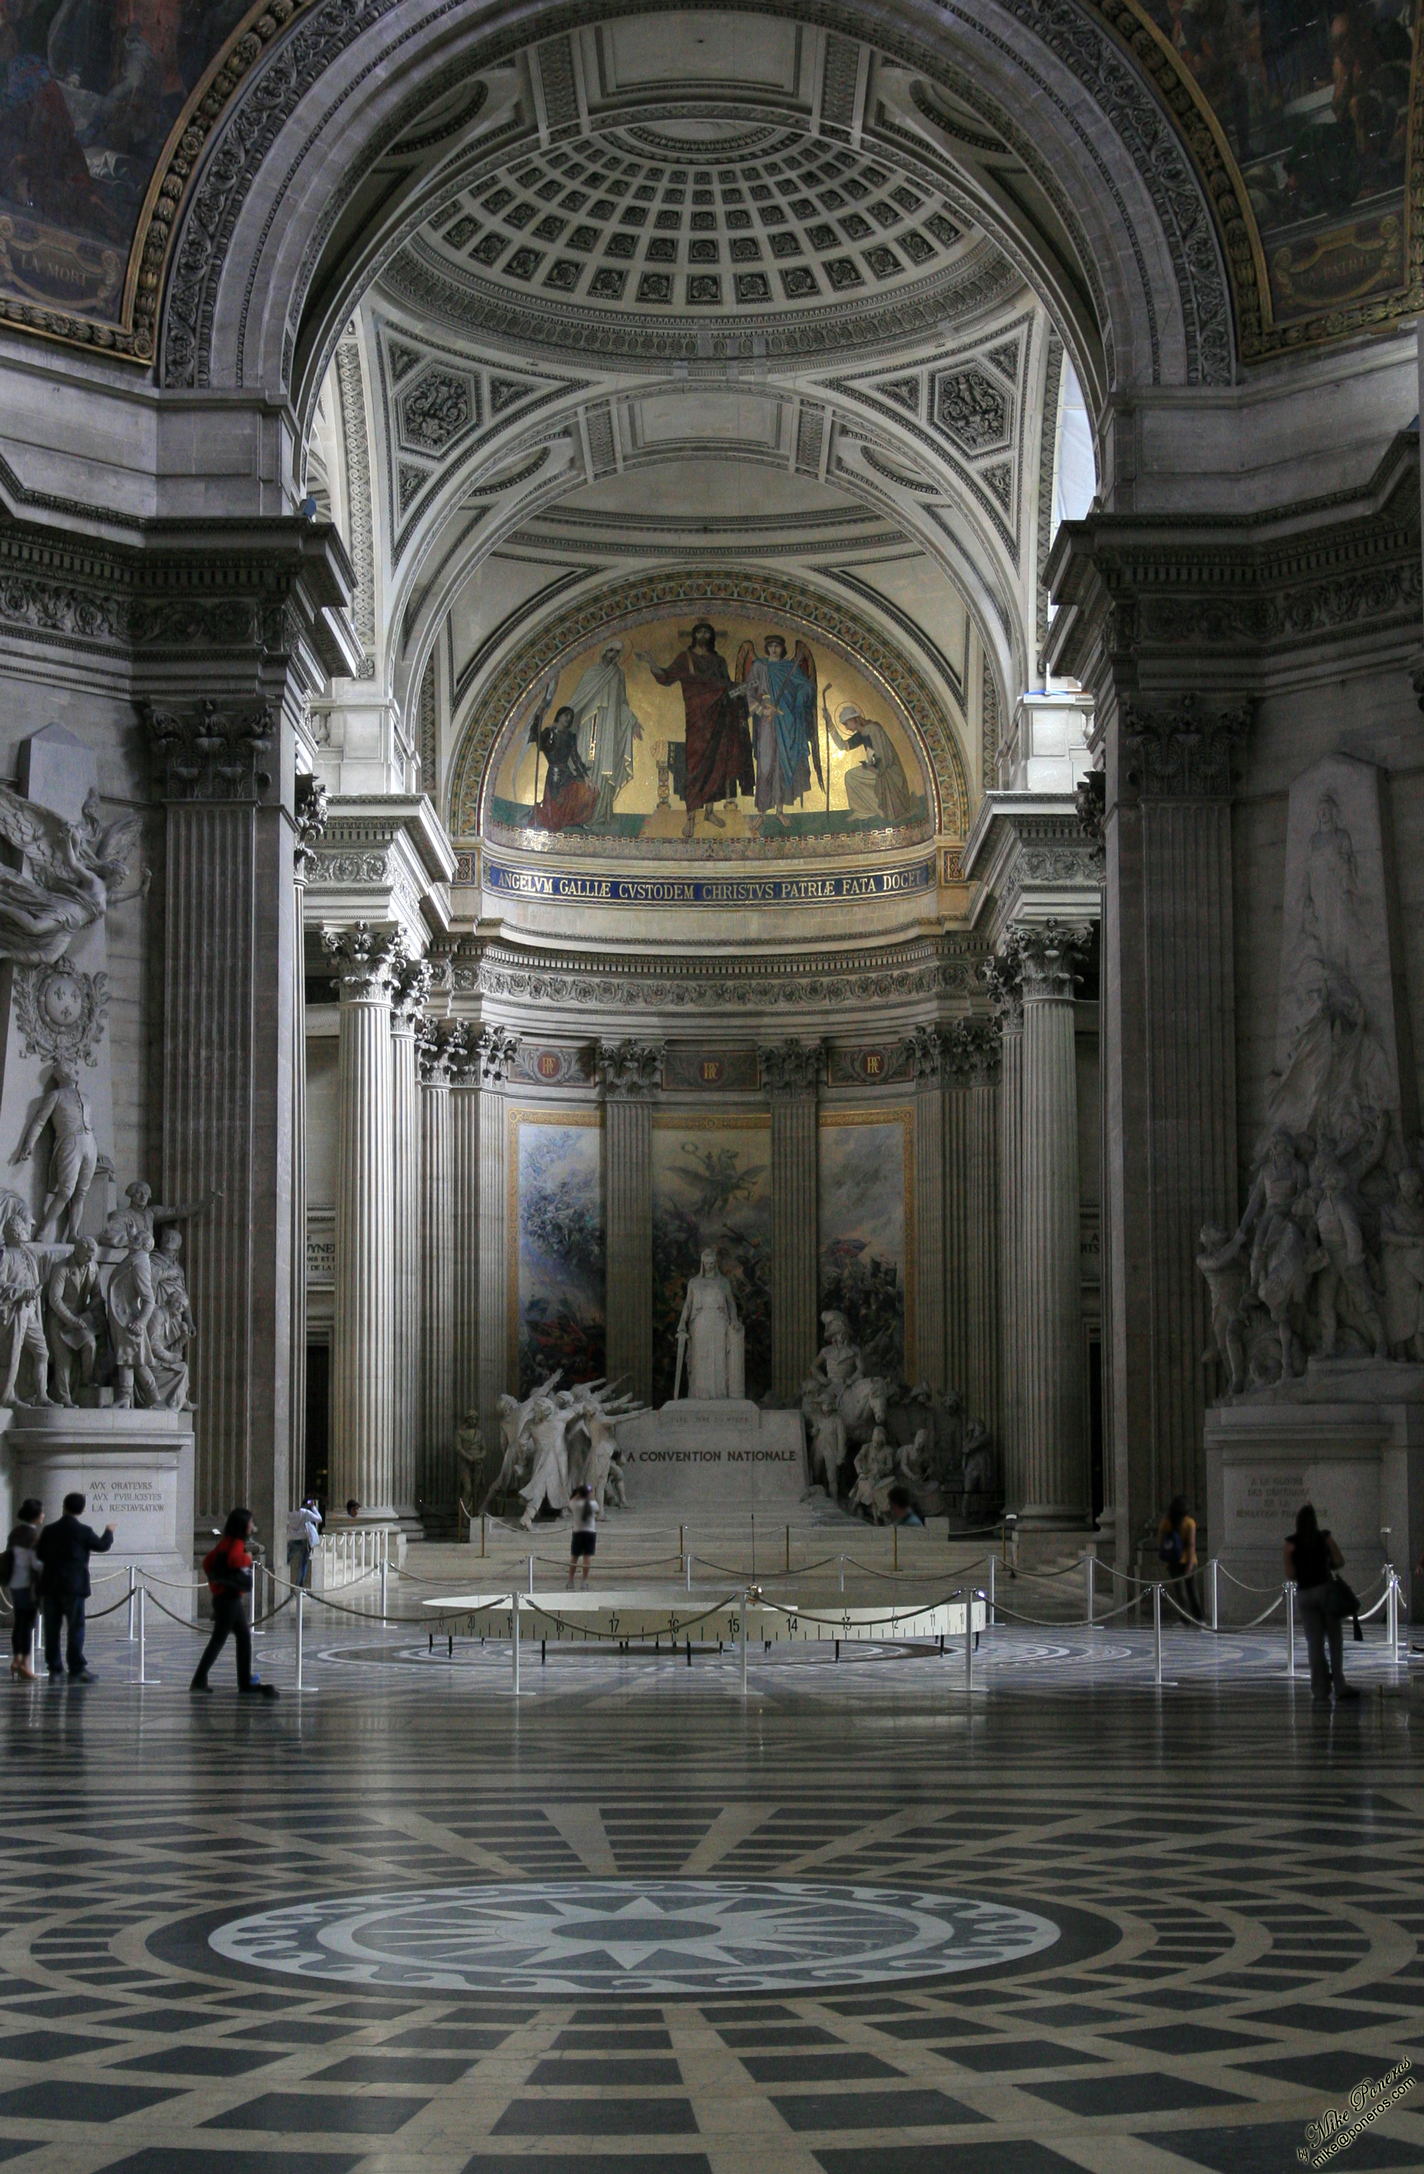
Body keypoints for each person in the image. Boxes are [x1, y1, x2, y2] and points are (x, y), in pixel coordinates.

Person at [192, 1508, 277, 1698]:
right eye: (250, 1523)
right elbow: (235, 1564)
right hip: (229, 1599)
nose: (252, 1527)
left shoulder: (226, 1542)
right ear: (242, 1525)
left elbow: (208, 1562)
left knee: (240, 1638)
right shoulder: (236, 1545)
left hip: (226, 1599)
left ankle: (240, 1681)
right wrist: (246, 1560)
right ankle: (207, 1680)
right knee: (221, 1640)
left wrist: (216, 1585)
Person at [1285, 1503, 1359, 1704]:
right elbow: (1340, 1561)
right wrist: (1325, 1564)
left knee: (1315, 1644)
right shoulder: (1325, 1537)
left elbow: (1290, 1574)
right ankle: (1340, 1684)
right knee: (1335, 1640)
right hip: (1325, 1591)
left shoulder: (1291, 1543)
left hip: (1305, 1595)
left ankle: (1320, 1688)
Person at [35, 1490, 113, 1681]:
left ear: (64, 1507)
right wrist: (109, 1532)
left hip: (51, 1585)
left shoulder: (49, 1530)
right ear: (82, 1509)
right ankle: (76, 1668)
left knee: (52, 1629)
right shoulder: (84, 1531)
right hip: (74, 1586)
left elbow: (39, 1555)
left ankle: (55, 1669)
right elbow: (102, 1545)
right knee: (76, 1628)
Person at [4, 1498, 43, 1680]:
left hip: (15, 1582)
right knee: (27, 1626)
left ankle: (18, 1661)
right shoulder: (31, 1536)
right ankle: (23, 1665)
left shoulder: (16, 1532)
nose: (43, 1515)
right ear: (35, 1515)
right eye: (41, 1512)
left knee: (20, 1624)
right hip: (27, 1584)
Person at [1158, 1495, 1204, 1622]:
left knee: (1180, 1592)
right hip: (1189, 1560)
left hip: (1173, 1561)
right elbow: (1191, 1544)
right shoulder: (1189, 1522)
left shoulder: (1166, 1521)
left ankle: (1185, 1620)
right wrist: (1189, 1564)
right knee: (1192, 1591)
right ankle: (1199, 1619)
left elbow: (1161, 1540)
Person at [285, 1499, 319, 1588]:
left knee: (286, 1560)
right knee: (302, 1564)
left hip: (292, 1539)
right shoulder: (305, 1513)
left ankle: (282, 1580)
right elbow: (319, 1519)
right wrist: (313, 1507)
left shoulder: (288, 1513)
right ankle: (299, 1586)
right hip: (303, 1539)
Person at [568, 1483, 597, 1585]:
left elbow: (570, 1502)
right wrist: (591, 1493)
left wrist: (579, 1494)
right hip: (589, 1533)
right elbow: (596, 1506)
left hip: (578, 1533)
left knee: (574, 1557)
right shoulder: (592, 1505)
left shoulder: (576, 1504)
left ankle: (570, 1580)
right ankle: (584, 1581)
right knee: (587, 1557)